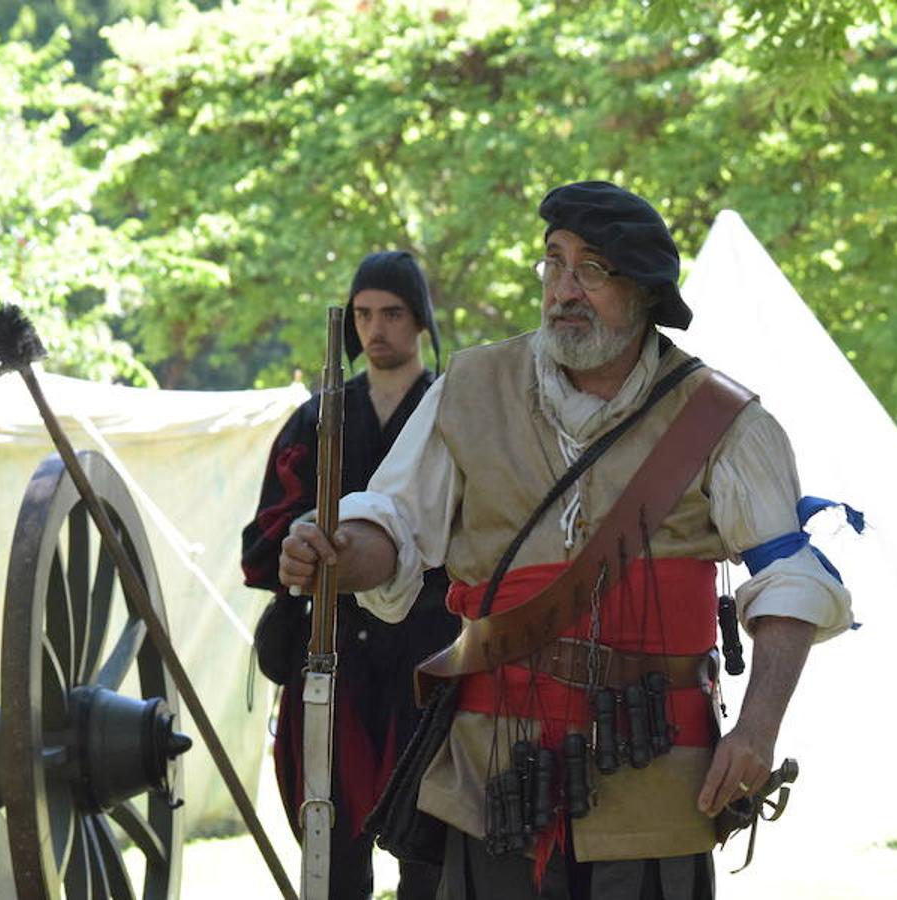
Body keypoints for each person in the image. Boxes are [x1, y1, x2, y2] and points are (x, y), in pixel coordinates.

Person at [277, 181, 854, 899]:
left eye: (593, 269)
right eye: (554, 263)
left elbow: (790, 582)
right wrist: (336, 551)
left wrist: (758, 731)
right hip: (494, 767)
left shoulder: (722, 419)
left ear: (643, 292)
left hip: (655, 764)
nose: (565, 289)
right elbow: (393, 525)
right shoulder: (470, 386)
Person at [243, 250, 460, 900]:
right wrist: (305, 542)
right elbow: (264, 543)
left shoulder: (454, 414)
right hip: (332, 661)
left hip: (432, 659)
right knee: (333, 853)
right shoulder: (315, 421)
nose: (376, 329)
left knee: (431, 858)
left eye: (392, 313)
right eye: (364, 314)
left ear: (419, 320)